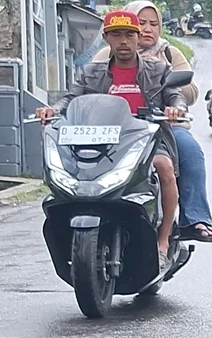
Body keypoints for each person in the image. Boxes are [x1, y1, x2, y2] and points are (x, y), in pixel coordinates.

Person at [37, 9, 186, 273]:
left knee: (164, 167)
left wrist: (176, 109)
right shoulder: (91, 71)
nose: (124, 41)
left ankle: (162, 242)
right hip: (103, 140)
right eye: (117, 35)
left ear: (139, 38)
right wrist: (53, 109)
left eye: (129, 35)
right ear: (107, 38)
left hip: (146, 135)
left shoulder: (158, 69)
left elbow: (175, 95)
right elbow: (71, 99)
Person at [92, 0, 212, 244]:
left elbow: (188, 91)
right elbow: (83, 90)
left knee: (188, 150)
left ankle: (194, 218)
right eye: (142, 23)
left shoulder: (168, 56)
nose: (147, 29)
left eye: (153, 24)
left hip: (161, 127)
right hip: (113, 129)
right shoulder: (105, 58)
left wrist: (173, 105)